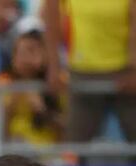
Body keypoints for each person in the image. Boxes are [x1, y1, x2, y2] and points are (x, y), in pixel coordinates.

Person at [42, 0, 136, 145]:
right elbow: (51, 16)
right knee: (74, 147)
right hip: (82, 73)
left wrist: (134, 69)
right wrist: (54, 67)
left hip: (125, 74)